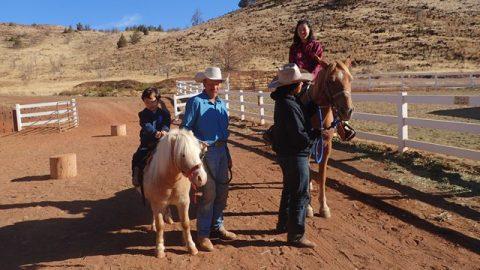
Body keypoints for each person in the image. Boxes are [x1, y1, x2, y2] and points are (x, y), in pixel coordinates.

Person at [181, 67, 236, 252]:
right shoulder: (195, 102)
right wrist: (198, 145)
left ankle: (217, 226)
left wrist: (227, 155)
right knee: (208, 194)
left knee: (223, 192)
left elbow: (223, 134)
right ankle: (203, 234)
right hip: (204, 153)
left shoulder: (221, 104)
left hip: (221, 150)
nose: (214, 86)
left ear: (220, 84)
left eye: (217, 83)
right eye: (210, 83)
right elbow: (185, 130)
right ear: (204, 83)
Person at [269, 63, 318, 248]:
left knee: (289, 190)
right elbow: (299, 136)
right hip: (295, 154)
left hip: (286, 153)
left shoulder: (285, 101)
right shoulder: (289, 105)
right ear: (294, 86)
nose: (301, 86)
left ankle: (283, 224)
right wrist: (314, 136)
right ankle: (296, 235)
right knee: (300, 194)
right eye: (299, 83)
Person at [289, 19, 355, 141]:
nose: (302, 31)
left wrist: (310, 77)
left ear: (309, 30)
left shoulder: (316, 45)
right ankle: (282, 125)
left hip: (315, 78)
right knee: (288, 98)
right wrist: (299, 77)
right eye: (299, 30)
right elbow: (292, 64)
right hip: (298, 78)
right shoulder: (294, 48)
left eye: (304, 29)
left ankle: (341, 126)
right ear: (297, 32)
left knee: (330, 95)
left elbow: (318, 64)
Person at [131, 87, 171, 187]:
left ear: (158, 100)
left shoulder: (165, 113)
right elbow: (146, 125)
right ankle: (136, 174)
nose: (150, 104)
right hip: (148, 141)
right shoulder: (143, 114)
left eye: (153, 101)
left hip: (162, 141)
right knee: (137, 156)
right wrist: (154, 133)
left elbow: (166, 124)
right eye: (147, 102)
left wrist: (164, 131)